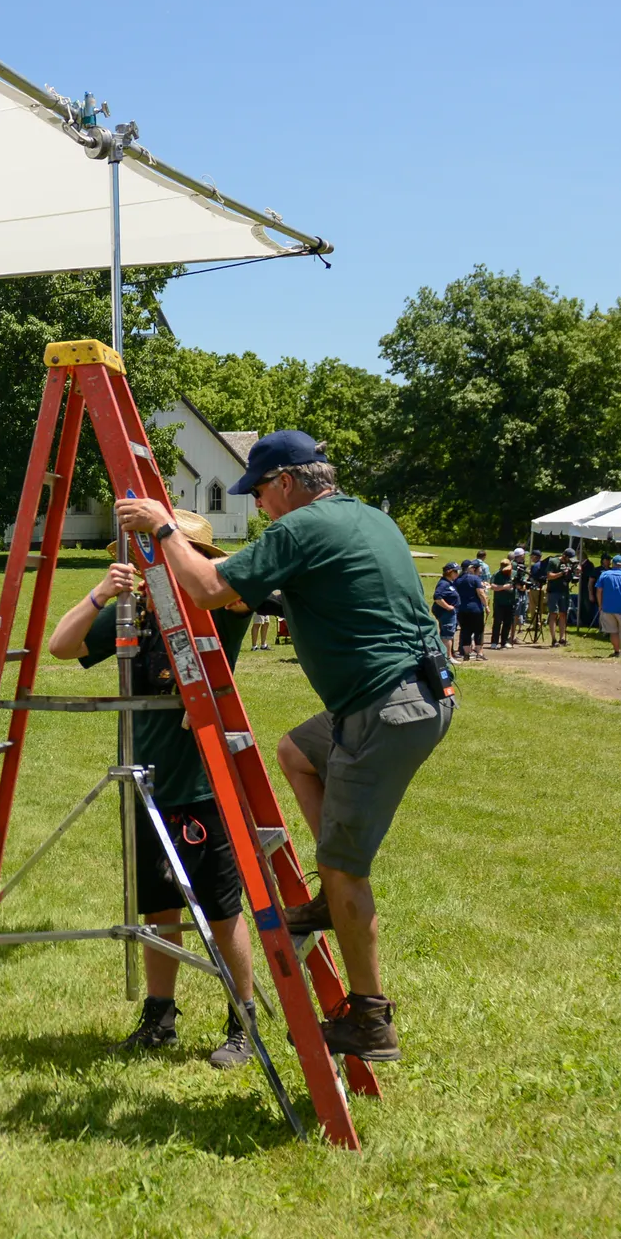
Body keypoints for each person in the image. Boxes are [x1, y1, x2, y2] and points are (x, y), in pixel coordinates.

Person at [118, 430, 453, 1064]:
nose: (259, 505)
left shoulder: (300, 528)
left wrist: (163, 527)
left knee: (347, 868)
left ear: (289, 483)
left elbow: (208, 589)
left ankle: (371, 1020)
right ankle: (332, 898)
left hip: (384, 707)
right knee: (297, 752)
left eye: (260, 492)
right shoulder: (369, 519)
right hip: (413, 693)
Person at [43, 510, 258, 1068]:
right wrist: (101, 592)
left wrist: (183, 556)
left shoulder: (218, 606)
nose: (155, 565)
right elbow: (60, 646)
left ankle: (243, 1024)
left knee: (221, 911)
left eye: (164, 554)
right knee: (160, 909)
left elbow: (251, 583)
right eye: (149, 556)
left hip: (202, 784)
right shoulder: (134, 613)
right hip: (145, 785)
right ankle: (160, 1019)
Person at [452, 561, 487, 661]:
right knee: (478, 630)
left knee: (465, 630)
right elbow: (481, 593)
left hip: (461, 609)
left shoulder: (457, 580)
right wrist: (486, 606)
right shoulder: (475, 579)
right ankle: (479, 653)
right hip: (475, 609)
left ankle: (466, 654)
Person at [545, 549, 575, 647]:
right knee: (553, 614)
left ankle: (562, 638)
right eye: (568, 558)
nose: (569, 560)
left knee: (563, 614)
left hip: (564, 591)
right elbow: (549, 576)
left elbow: (570, 578)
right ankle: (553, 639)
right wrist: (561, 573)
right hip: (553, 591)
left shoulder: (569, 563)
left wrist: (573, 573)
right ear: (564, 555)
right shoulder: (553, 561)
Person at [432, 564, 461, 648]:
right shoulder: (443, 584)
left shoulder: (450, 583)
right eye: (455, 571)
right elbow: (437, 597)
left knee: (449, 635)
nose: (457, 573)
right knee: (447, 636)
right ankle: (447, 655)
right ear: (449, 572)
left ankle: (449, 653)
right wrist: (448, 607)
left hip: (450, 613)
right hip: (446, 613)